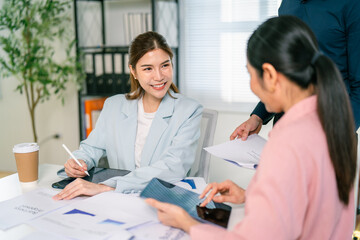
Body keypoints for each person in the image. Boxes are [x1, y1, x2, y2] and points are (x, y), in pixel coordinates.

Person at [146, 16, 357, 239]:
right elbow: (313, 206)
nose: (251, 85)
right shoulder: (331, 122)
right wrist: (251, 196)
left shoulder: (289, 141)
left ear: (270, 75)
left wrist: (188, 224)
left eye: (250, 73)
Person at [53, 31, 203, 200]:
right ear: (133, 71)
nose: (159, 76)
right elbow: (92, 148)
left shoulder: (189, 110)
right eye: (148, 68)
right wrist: (80, 161)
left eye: (165, 65)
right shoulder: (114, 106)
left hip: (161, 200)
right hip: (119, 200)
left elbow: (173, 167)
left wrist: (106, 187)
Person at [231, 0, 360, 141]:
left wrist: (335, 135)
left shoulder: (352, 4)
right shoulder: (287, 3)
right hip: (285, 127)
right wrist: (258, 116)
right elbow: (282, 72)